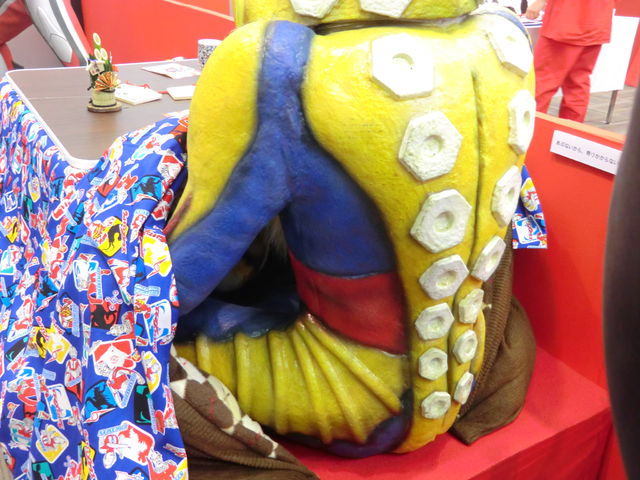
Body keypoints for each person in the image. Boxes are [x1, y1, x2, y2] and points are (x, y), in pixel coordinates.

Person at [526, 0, 615, 122]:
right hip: (596, 22)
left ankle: (532, 128)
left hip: (566, 21)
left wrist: (541, 1)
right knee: (577, 85)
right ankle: (569, 130)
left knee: (542, 83)